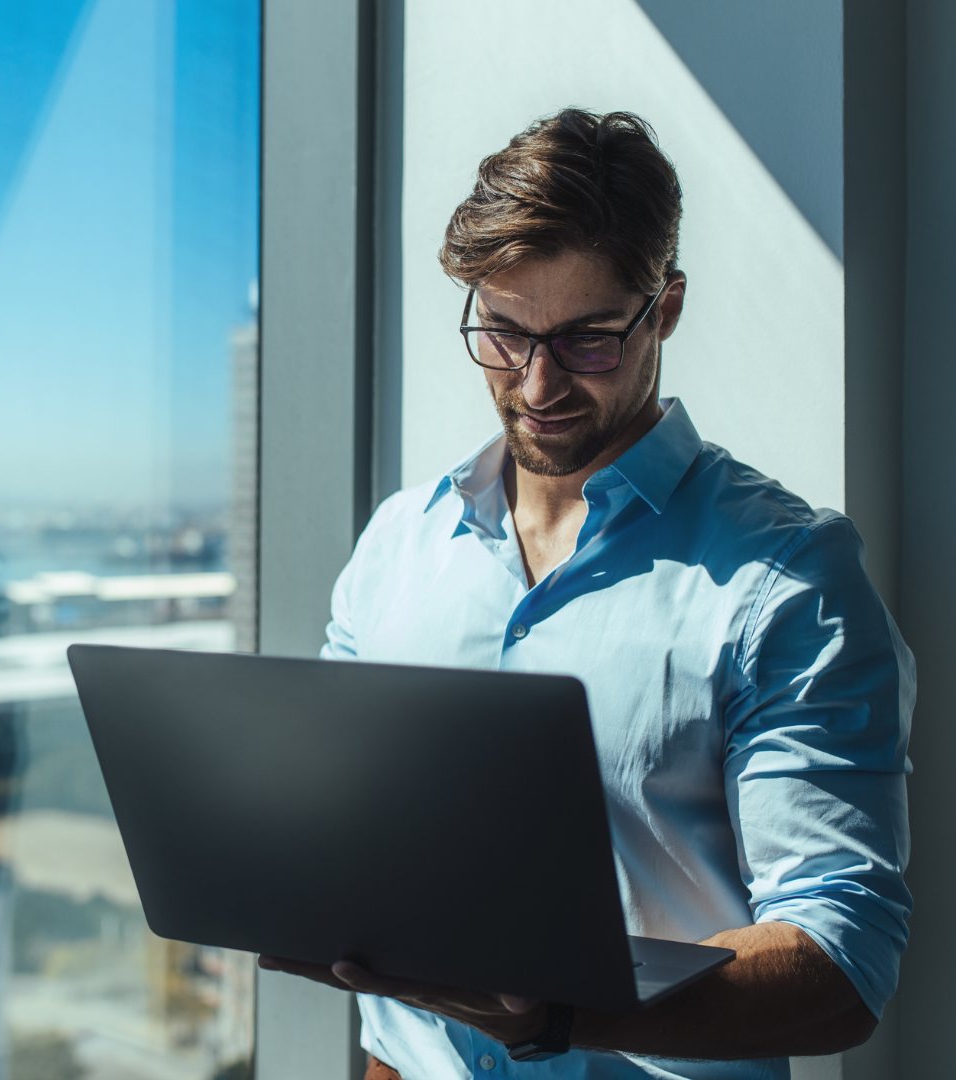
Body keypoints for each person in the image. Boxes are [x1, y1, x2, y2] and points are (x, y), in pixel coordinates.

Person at [258, 109, 914, 1080]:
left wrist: (563, 1011)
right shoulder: (401, 544)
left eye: (587, 340)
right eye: (503, 332)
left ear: (668, 307)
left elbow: (840, 960)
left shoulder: (785, 581)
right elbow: (354, 839)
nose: (535, 383)